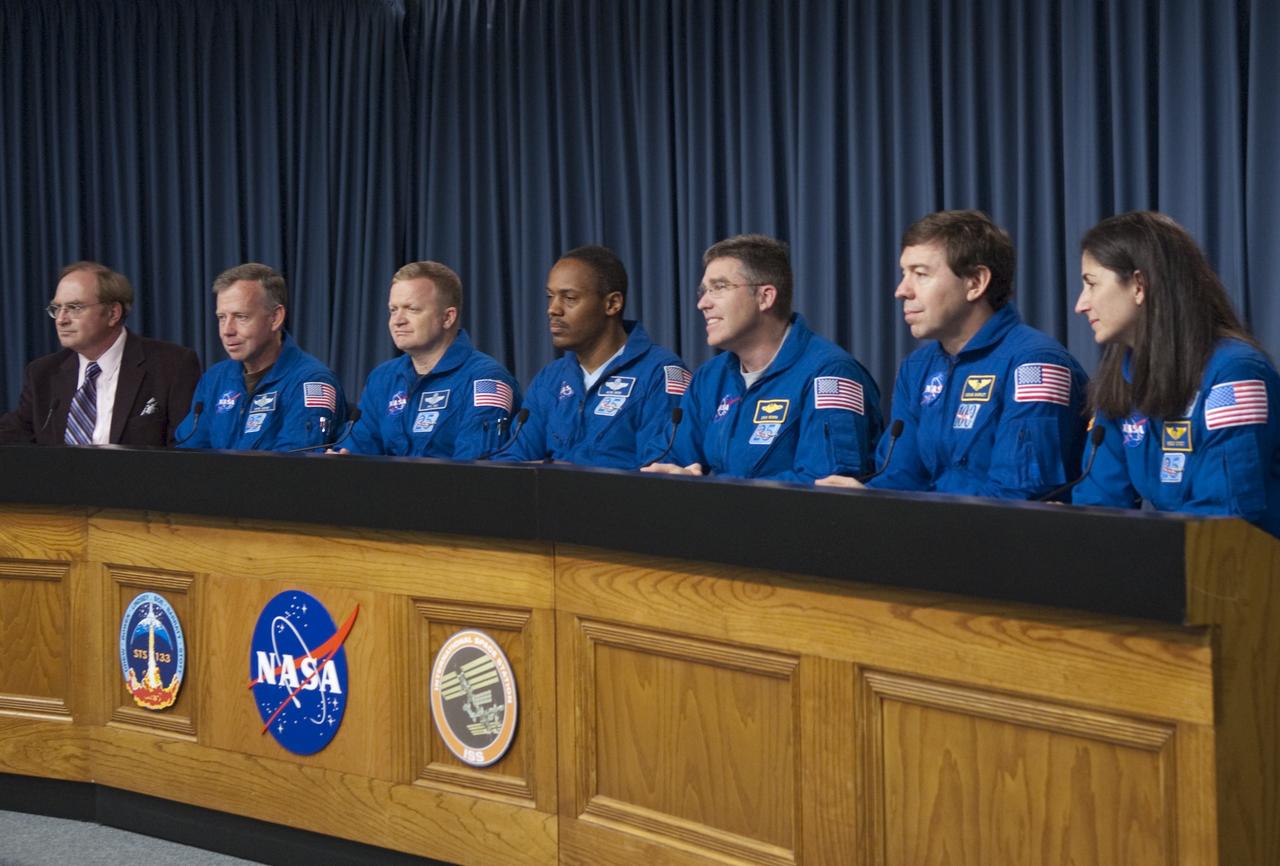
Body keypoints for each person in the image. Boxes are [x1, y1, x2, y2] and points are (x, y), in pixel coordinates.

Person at [817, 210, 1088, 497]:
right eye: (903, 274)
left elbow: (1019, 500)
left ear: (975, 282)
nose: (901, 290)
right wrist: (865, 497)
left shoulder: (1036, 364)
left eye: (920, 274)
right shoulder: (917, 368)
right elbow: (901, 479)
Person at [1070, 211, 1280, 536]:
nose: (1081, 305)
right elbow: (1099, 503)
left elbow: (1226, 518)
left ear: (1139, 285)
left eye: (1091, 285)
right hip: (1177, 565)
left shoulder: (1235, 374)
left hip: (1250, 574)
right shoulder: (1119, 379)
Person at [642, 233, 881, 481]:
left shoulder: (831, 373)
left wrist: (711, 490)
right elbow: (671, 456)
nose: (703, 303)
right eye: (703, 291)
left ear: (765, 296)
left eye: (719, 287)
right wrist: (667, 472)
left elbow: (826, 485)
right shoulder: (710, 377)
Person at [493, 246, 689, 468]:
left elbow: (660, 472)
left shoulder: (660, 374)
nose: (553, 309)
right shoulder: (550, 378)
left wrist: (568, 480)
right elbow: (513, 461)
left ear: (612, 304)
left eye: (569, 298)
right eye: (550, 297)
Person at [0, 261, 200, 446]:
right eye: (57, 308)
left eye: (74, 307)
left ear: (113, 313)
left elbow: (184, 447)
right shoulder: (42, 373)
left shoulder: (172, 365)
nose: (61, 319)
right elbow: (15, 432)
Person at [338, 261, 519, 458]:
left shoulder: (487, 380)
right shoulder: (383, 378)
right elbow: (357, 452)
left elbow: (476, 471)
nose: (397, 320)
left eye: (412, 309)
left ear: (447, 317)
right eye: (393, 309)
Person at [175, 263, 344, 451]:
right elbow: (188, 454)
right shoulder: (214, 379)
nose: (227, 330)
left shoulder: (312, 382)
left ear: (275, 318)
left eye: (241, 317)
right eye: (222, 317)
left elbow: (297, 467)